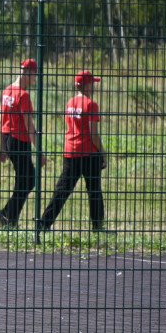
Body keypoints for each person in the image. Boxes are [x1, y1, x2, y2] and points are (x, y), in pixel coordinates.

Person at [36, 71, 108, 232]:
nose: (94, 86)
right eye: (92, 83)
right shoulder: (91, 104)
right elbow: (93, 133)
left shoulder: (70, 102)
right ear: (86, 85)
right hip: (88, 152)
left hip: (70, 150)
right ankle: (98, 226)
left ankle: (44, 222)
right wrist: (103, 152)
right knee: (94, 190)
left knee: (62, 190)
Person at [0, 59, 46, 228]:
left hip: (9, 140)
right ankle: (7, 214)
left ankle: (10, 217)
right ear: (28, 73)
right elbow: (29, 125)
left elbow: (1, 120)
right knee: (29, 180)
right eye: (34, 76)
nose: (34, 79)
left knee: (23, 180)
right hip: (20, 141)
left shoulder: (7, 90)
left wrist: (2, 146)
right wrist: (39, 150)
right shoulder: (23, 95)